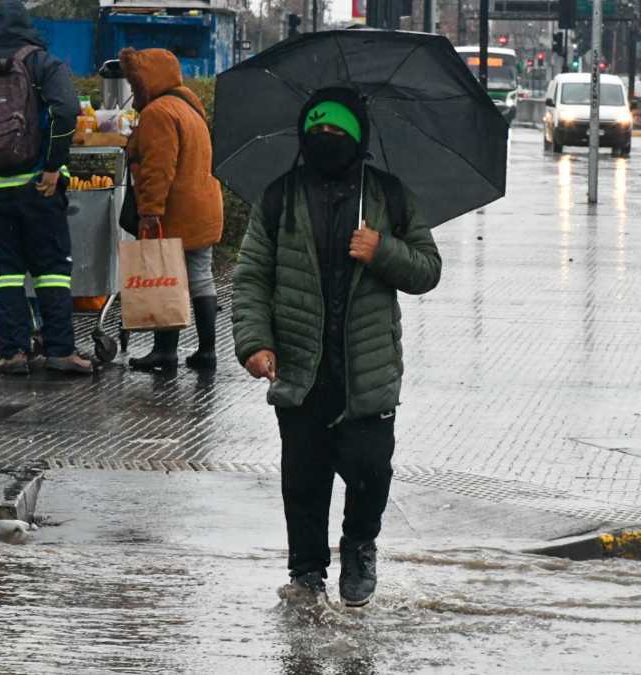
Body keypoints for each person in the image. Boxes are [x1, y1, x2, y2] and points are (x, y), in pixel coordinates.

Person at [231, 88, 442, 607]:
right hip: (301, 369)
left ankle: (358, 546)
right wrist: (254, 343)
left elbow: (427, 270)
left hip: (366, 373)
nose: (326, 140)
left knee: (371, 471)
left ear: (358, 139)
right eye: (316, 131)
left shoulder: (388, 197)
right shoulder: (279, 198)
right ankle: (306, 574)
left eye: (337, 132)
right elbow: (252, 277)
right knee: (303, 480)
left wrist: (381, 250)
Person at [0, 0, 92, 375]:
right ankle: (59, 350)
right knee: (51, 268)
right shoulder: (42, 63)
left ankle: (13, 353)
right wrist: (53, 166)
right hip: (37, 185)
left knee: (4, 270)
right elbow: (66, 110)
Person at [120, 47, 224, 372]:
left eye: (136, 82)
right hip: (204, 207)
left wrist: (149, 211)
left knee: (166, 277)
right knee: (200, 277)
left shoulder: (158, 113)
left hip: (175, 210)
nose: (133, 89)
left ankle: (164, 352)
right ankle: (207, 352)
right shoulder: (188, 107)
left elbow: (158, 168)